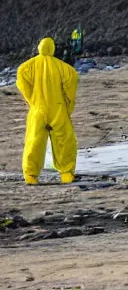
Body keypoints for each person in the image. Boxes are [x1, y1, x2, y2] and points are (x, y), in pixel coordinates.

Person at [16, 37, 79, 185]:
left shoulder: (28, 66)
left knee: (34, 142)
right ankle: (66, 173)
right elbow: (72, 80)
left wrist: (31, 98)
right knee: (65, 141)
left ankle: (31, 175)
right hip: (57, 108)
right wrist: (68, 105)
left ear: (39, 48)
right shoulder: (62, 66)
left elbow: (20, 76)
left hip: (38, 109)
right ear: (52, 49)